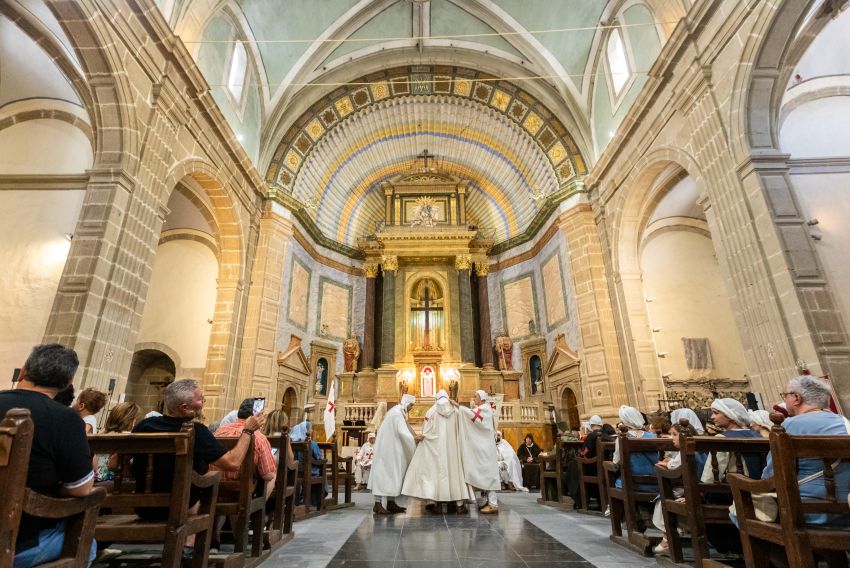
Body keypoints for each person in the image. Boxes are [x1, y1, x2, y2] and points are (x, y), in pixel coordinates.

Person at [131, 378, 265, 550]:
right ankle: (190, 544)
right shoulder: (195, 431)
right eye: (200, 399)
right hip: (183, 506)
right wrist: (247, 430)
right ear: (185, 407)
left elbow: (114, 463)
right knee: (210, 481)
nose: (203, 403)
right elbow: (233, 463)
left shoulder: (144, 426)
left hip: (143, 506)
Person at [0, 344, 97, 568]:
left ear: (23, 370)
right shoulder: (64, 419)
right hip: (19, 541)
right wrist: (57, 487)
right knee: (87, 543)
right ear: (66, 384)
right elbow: (82, 488)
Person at [762, 375, 850, 524]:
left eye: (785, 396)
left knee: (740, 510)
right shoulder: (844, 423)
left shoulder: (787, 427)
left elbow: (772, 476)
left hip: (806, 513)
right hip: (845, 510)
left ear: (796, 398)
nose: (785, 400)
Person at [402, 390, 472, 513]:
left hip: (435, 448)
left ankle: (436, 504)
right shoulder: (455, 410)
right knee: (454, 474)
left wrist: (426, 439)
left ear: (436, 398)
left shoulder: (431, 411)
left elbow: (426, 429)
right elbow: (463, 428)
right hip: (453, 449)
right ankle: (458, 504)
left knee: (434, 474)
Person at [651, 421, 706, 555]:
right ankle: (668, 538)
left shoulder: (685, 452)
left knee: (665, 498)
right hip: (699, 489)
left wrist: (664, 464)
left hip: (695, 491)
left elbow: (671, 466)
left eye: (674, 435)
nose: (671, 438)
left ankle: (669, 538)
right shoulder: (698, 449)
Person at [369, 394, 420, 514]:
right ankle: (378, 504)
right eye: (411, 405)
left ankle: (391, 503)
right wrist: (415, 439)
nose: (412, 408)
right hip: (387, 450)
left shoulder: (397, 412)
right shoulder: (397, 414)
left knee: (392, 476)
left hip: (391, 449)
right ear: (406, 403)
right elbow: (402, 432)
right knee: (383, 476)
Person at [453, 390, 501, 514]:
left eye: (476, 396)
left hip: (486, 450)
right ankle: (487, 502)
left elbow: (469, 414)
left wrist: (457, 406)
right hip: (483, 448)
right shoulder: (482, 409)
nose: (474, 398)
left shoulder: (484, 409)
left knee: (488, 475)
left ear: (482, 398)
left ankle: (493, 504)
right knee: (484, 474)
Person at [95, 402, 141, 483]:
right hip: (108, 478)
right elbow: (113, 463)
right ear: (131, 420)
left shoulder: (103, 432)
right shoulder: (127, 437)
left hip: (95, 475)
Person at [289, 420, 325, 508]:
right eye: (311, 429)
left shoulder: (291, 442)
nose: (312, 430)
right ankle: (316, 500)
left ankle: (298, 500)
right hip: (309, 471)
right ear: (306, 431)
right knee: (322, 468)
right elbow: (319, 457)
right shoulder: (311, 443)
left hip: (293, 470)